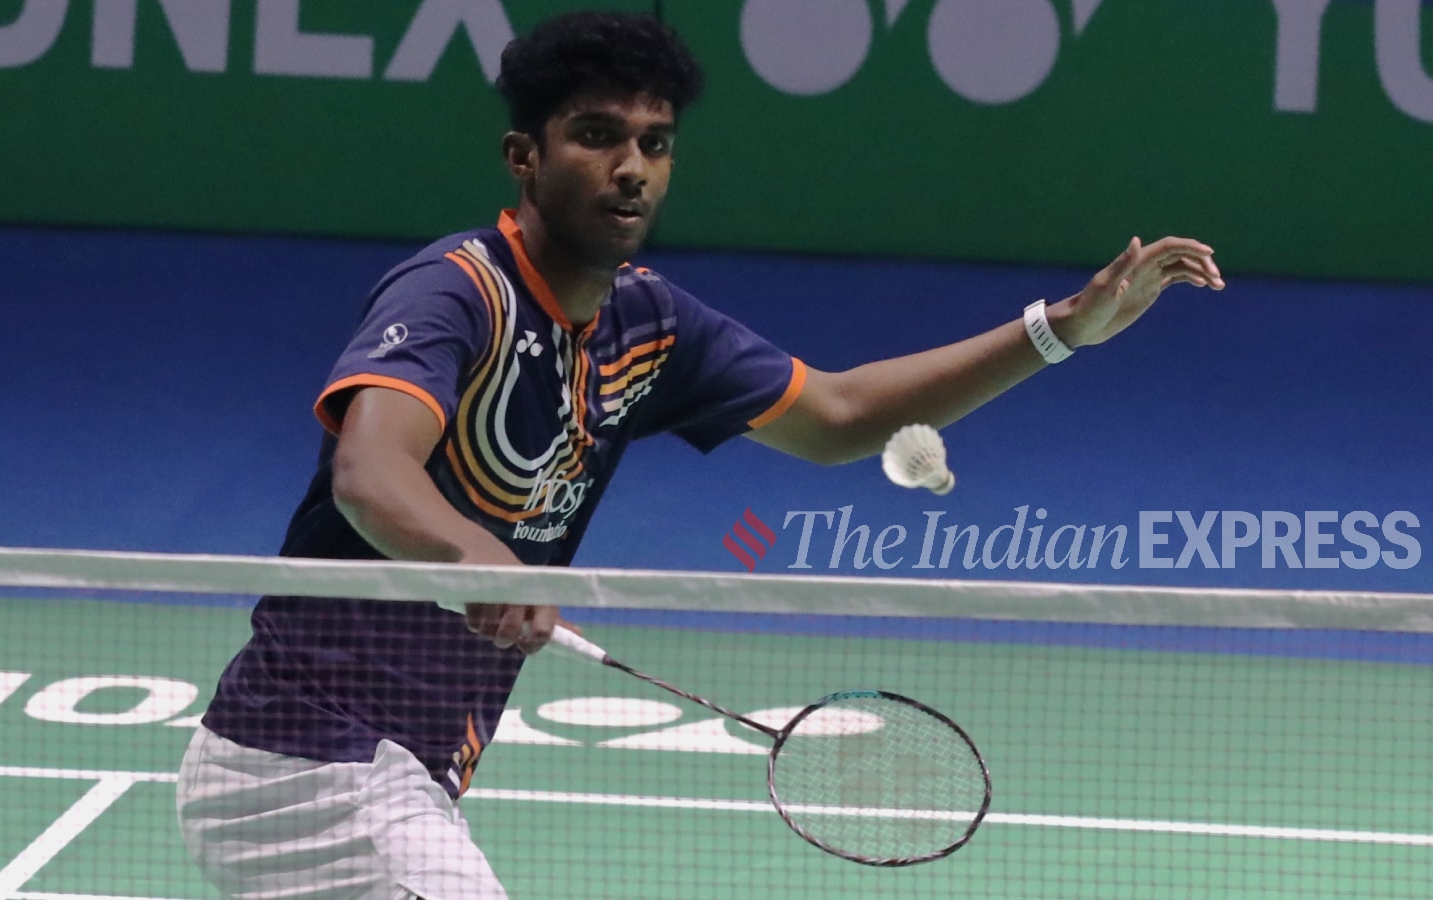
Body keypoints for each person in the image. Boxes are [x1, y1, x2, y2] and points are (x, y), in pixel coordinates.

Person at [176, 10, 1224, 900]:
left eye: (655, 143)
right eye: (597, 136)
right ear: (524, 156)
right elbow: (370, 473)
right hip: (309, 764)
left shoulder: (645, 323)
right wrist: (474, 558)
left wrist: (1058, 332)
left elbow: (838, 415)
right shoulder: (458, 292)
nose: (631, 167)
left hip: (406, 765)